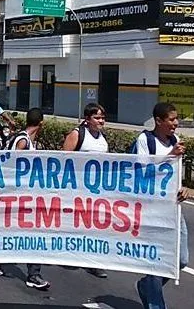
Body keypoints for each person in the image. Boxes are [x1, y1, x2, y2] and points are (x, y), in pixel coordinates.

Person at [133, 103, 190, 309]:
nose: (176, 124)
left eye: (176, 119)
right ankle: (156, 304)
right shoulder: (145, 140)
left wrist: (183, 188)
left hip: (173, 208)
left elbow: (173, 175)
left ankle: (146, 285)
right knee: (156, 259)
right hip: (151, 210)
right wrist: (169, 157)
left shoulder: (174, 141)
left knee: (180, 260)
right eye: (171, 119)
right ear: (158, 121)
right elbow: (138, 174)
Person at [0, 107, 50, 289]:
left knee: (31, 232)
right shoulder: (22, 141)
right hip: (14, 195)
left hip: (26, 195)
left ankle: (33, 274)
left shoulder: (27, 140)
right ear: (41, 124)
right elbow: (12, 165)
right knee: (11, 230)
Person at [62, 102, 109, 279]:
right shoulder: (77, 134)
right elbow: (63, 159)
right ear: (87, 120)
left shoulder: (102, 138)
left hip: (96, 192)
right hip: (76, 190)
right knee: (74, 224)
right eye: (97, 117)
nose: (101, 121)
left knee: (94, 226)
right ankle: (69, 255)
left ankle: (92, 262)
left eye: (103, 117)